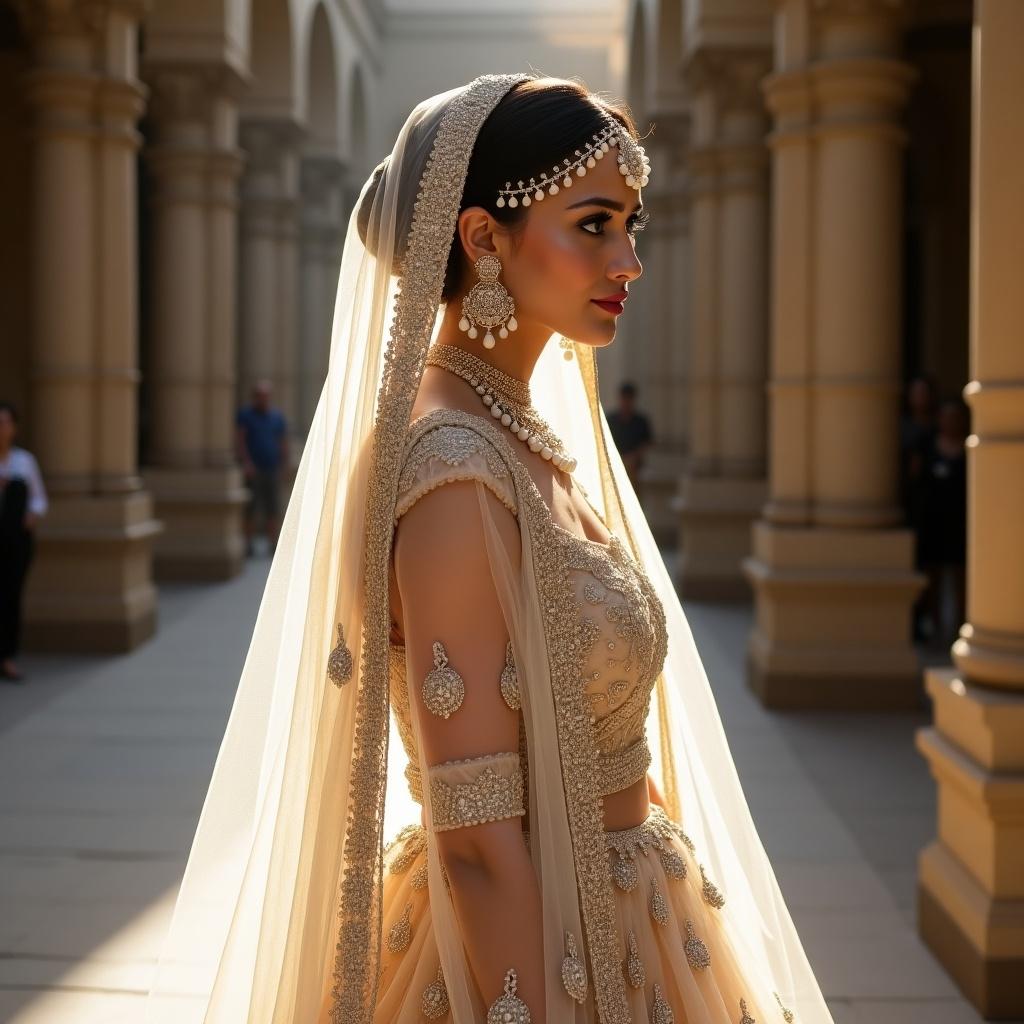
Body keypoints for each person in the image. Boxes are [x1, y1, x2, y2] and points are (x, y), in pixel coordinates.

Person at [147, 75, 834, 1024]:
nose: (629, 259)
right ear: (482, 239)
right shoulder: (454, 466)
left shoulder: (515, 429)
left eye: (631, 223)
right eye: (593, 224)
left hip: (627, 920)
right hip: (539, 951)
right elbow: (475, 838)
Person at [0, 401, 48, 682]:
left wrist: (32, 514)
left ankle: (6, 657)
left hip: (16, 540)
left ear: (14, 428)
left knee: (11, 597)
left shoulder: (23, 462)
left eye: (5, 423)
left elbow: (39, 497)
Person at [917, 398, 969, 647]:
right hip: (934, 523)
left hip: (961, 524)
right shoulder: (928, 449)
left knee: (962, 579)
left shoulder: (970, 449)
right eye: (946, 417)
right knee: (933, 578)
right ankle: (935, 629)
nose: (950, 422)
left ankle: (961, 628)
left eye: (955, 417)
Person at [235, 381, 288, 555]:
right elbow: (240, 441)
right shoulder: (246, 416)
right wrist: (247, 463)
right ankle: (248, 545)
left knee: (272, 508)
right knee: (251, 508)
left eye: (265, 396)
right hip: (253, 470)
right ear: (254, 397)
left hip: (271, 469)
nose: (263, 399)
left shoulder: (277, 417)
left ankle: (273, 544)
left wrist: (283, 465)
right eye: (259, 396)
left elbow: (282, 442)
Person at [606, 380, 653, 489]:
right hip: (614, 465)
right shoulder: (611, 420)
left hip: (635, 469)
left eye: (628, 399)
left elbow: (647, 442)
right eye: (624, 398)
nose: (626, 402)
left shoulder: (641, 421)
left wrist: (633, 457)